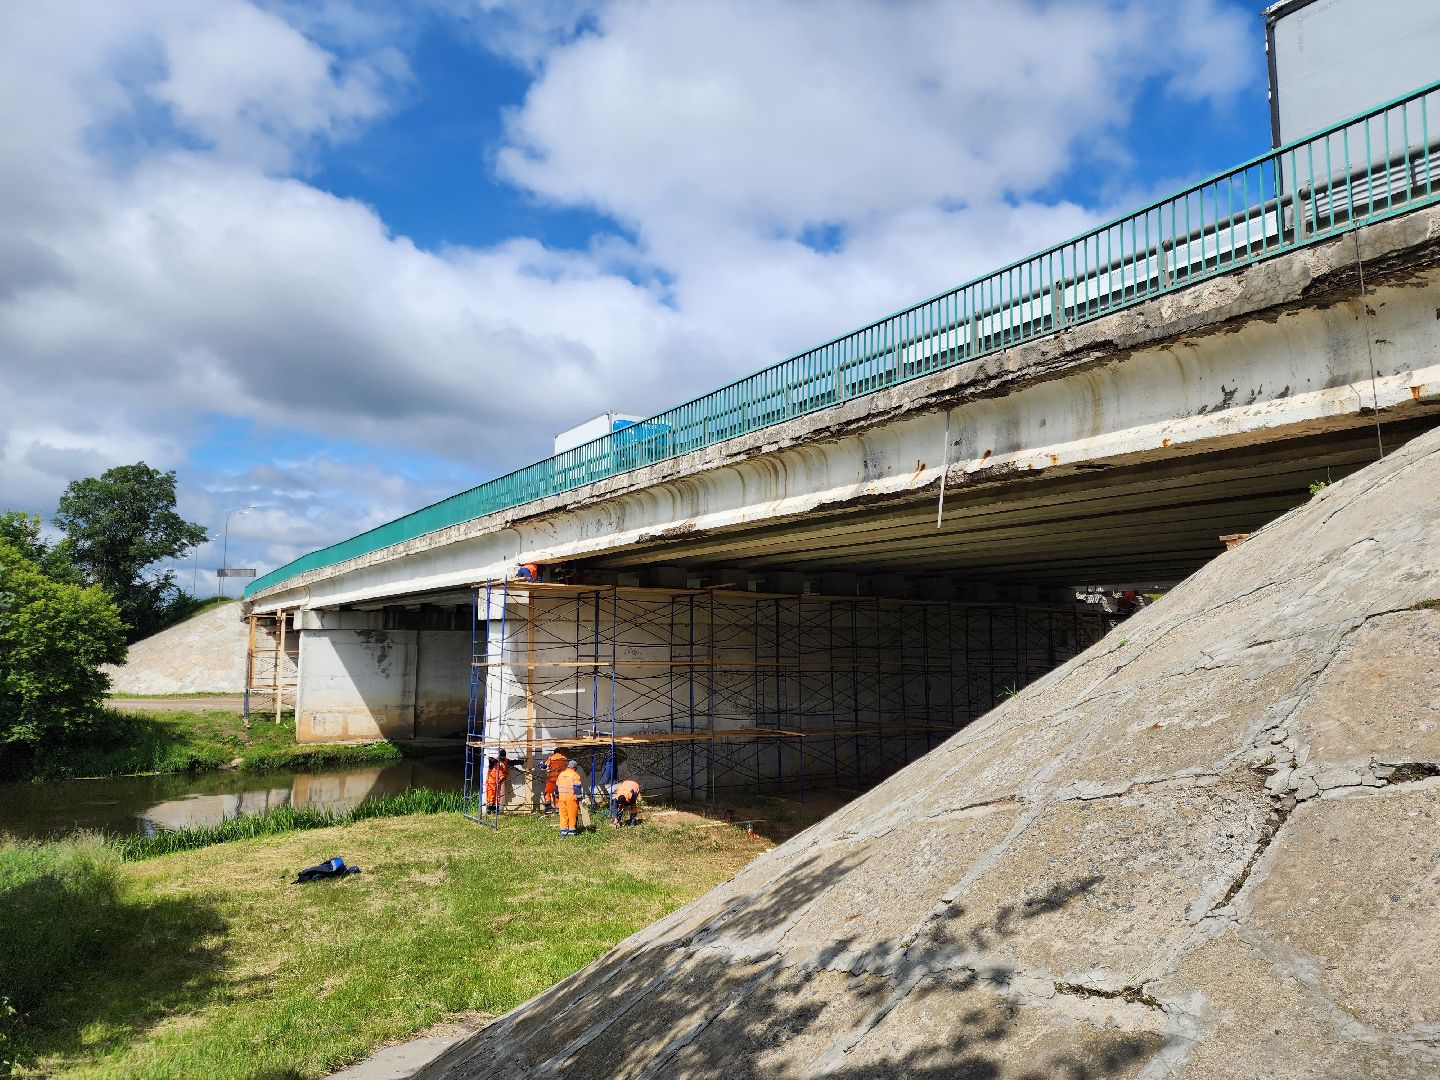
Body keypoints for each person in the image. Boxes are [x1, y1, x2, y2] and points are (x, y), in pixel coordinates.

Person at [556, 758, 585, 837]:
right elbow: (577, 788)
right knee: (572, 815)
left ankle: (563, 832)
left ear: (568, 766)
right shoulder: (575, 775)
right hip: (571, 798)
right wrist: (580, 798)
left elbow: (557, 786)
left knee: (563, 815)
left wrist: (557, 796)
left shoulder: (561, 774)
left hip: (562, 798)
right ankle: (572, 832)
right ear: (575, 768)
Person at [484, 748, 510, 814]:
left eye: (504, 757)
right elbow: (490, 760)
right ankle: (489, 810)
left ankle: (496, 810)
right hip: (491, 781)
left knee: (498, 796)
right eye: (501, 757)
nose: (502, 759)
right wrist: (493, 760)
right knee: (490, 795)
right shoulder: (494, 761)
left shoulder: (506, 761)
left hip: (499, 781)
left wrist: (522, 761)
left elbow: (514, 762)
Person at [543, 748, 568, 815]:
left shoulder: (551, 758)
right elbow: (566, 769)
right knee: (558, 794)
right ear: (560, 752)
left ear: (554, 752)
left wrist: (542, 764)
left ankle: (548, 809)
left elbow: (544, 766)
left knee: (547, 793)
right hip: (560, 780)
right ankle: (558, 809)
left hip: (551, 779)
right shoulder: (564, 759)